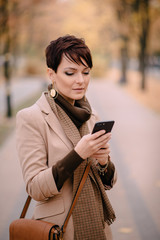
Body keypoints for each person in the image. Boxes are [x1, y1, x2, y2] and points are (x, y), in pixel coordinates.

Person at [16, 35, 117, 240]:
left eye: (86, 72)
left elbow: (109, 181)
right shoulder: (31, 117)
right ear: (51, 74)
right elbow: (35, 187)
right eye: (70, 73)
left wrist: (104, 161)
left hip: (97, 224)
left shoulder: (91, 115)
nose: (80, 80)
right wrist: (78, 154)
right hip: (59, 229)